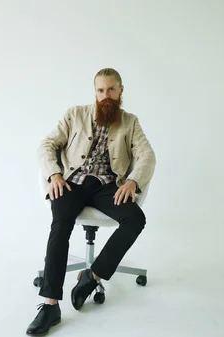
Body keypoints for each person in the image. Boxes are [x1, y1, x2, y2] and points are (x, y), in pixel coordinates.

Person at [26, 68, 156, 336]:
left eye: (111, 90)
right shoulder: (75, 114)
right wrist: (54, 173)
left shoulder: (130, 122)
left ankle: (93, 275)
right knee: (60, 224)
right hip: (71, 181)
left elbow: (147, 155)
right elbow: (47, 145)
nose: (105, 95)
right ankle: (50, 305)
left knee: (135, 220)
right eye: (100, 90)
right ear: (94, 92)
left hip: (107, 187)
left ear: (120, 91)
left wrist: (132, 181)